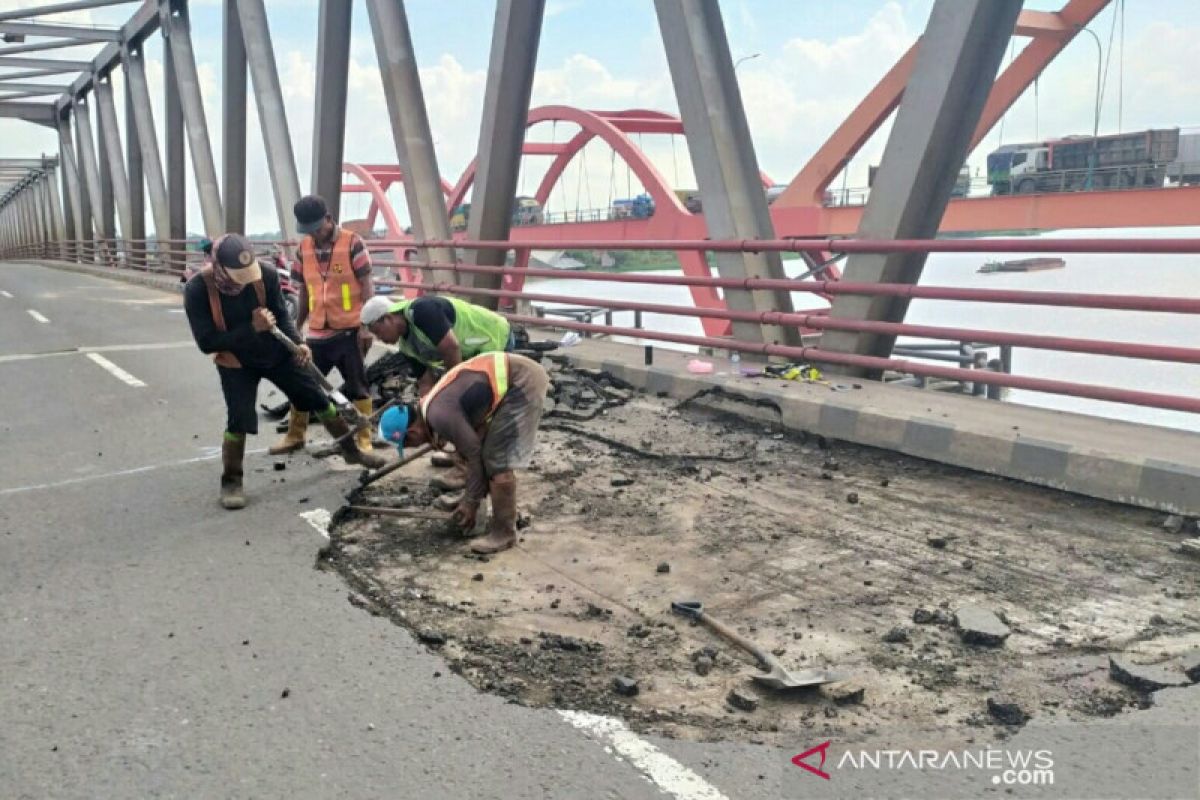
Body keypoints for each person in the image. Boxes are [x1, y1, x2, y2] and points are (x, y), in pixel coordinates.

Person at [184, 234, 386, 510]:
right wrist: (250, 329)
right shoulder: (198, 289)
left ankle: (351, 451)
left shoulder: (264, 275)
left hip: (277, 354)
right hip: (236, 362)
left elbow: (281, 313)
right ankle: (232, 481)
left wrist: (300, 343)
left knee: (319, 400)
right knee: (238, 419)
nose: (244, 280)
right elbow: (206, 342)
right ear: (218, 265)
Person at [380, 351, 549, 554]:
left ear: (412, 432)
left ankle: (504, 532)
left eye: (409, 444)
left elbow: (475, 454)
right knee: (474, 451)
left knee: (496, 459)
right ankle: (488, 511)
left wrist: (471, 502)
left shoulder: (439, 415)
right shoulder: (430, 408)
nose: (414, 448)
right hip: (511, 377)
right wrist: (470, 496)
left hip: (522, 381)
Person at [272, 195, 378, 456]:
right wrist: (295, 329)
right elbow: (304, 291)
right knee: (303, 384)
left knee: (357, 386)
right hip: (317, 332)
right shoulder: (304, 248)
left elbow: (367, 285)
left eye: (318, 228)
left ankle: (364, 438)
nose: (314, 235)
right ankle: (295, 435)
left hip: (349, 329)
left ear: (329, 219)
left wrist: (366, 325)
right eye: (309, 231)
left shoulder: (353, 242)